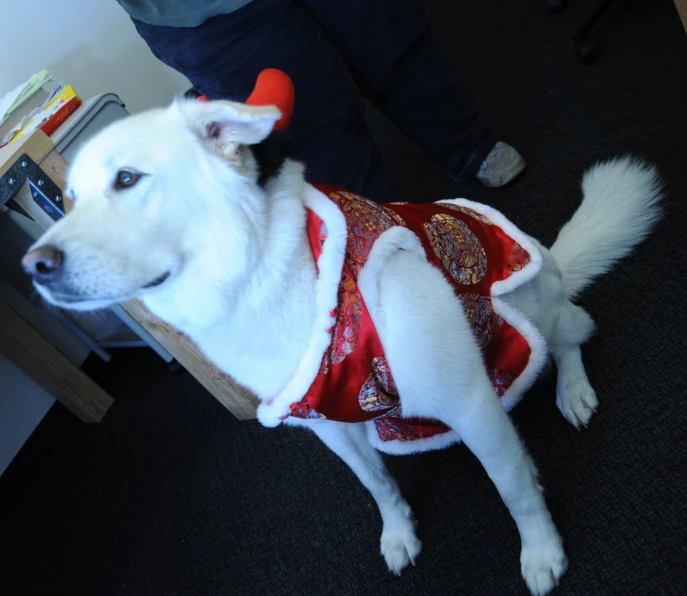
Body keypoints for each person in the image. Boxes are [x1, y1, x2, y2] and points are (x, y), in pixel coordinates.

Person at [116, 0, 526, 201]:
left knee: (394, 45)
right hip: (204, 11)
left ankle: (469, 146)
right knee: (315, 132)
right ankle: (397, 251)